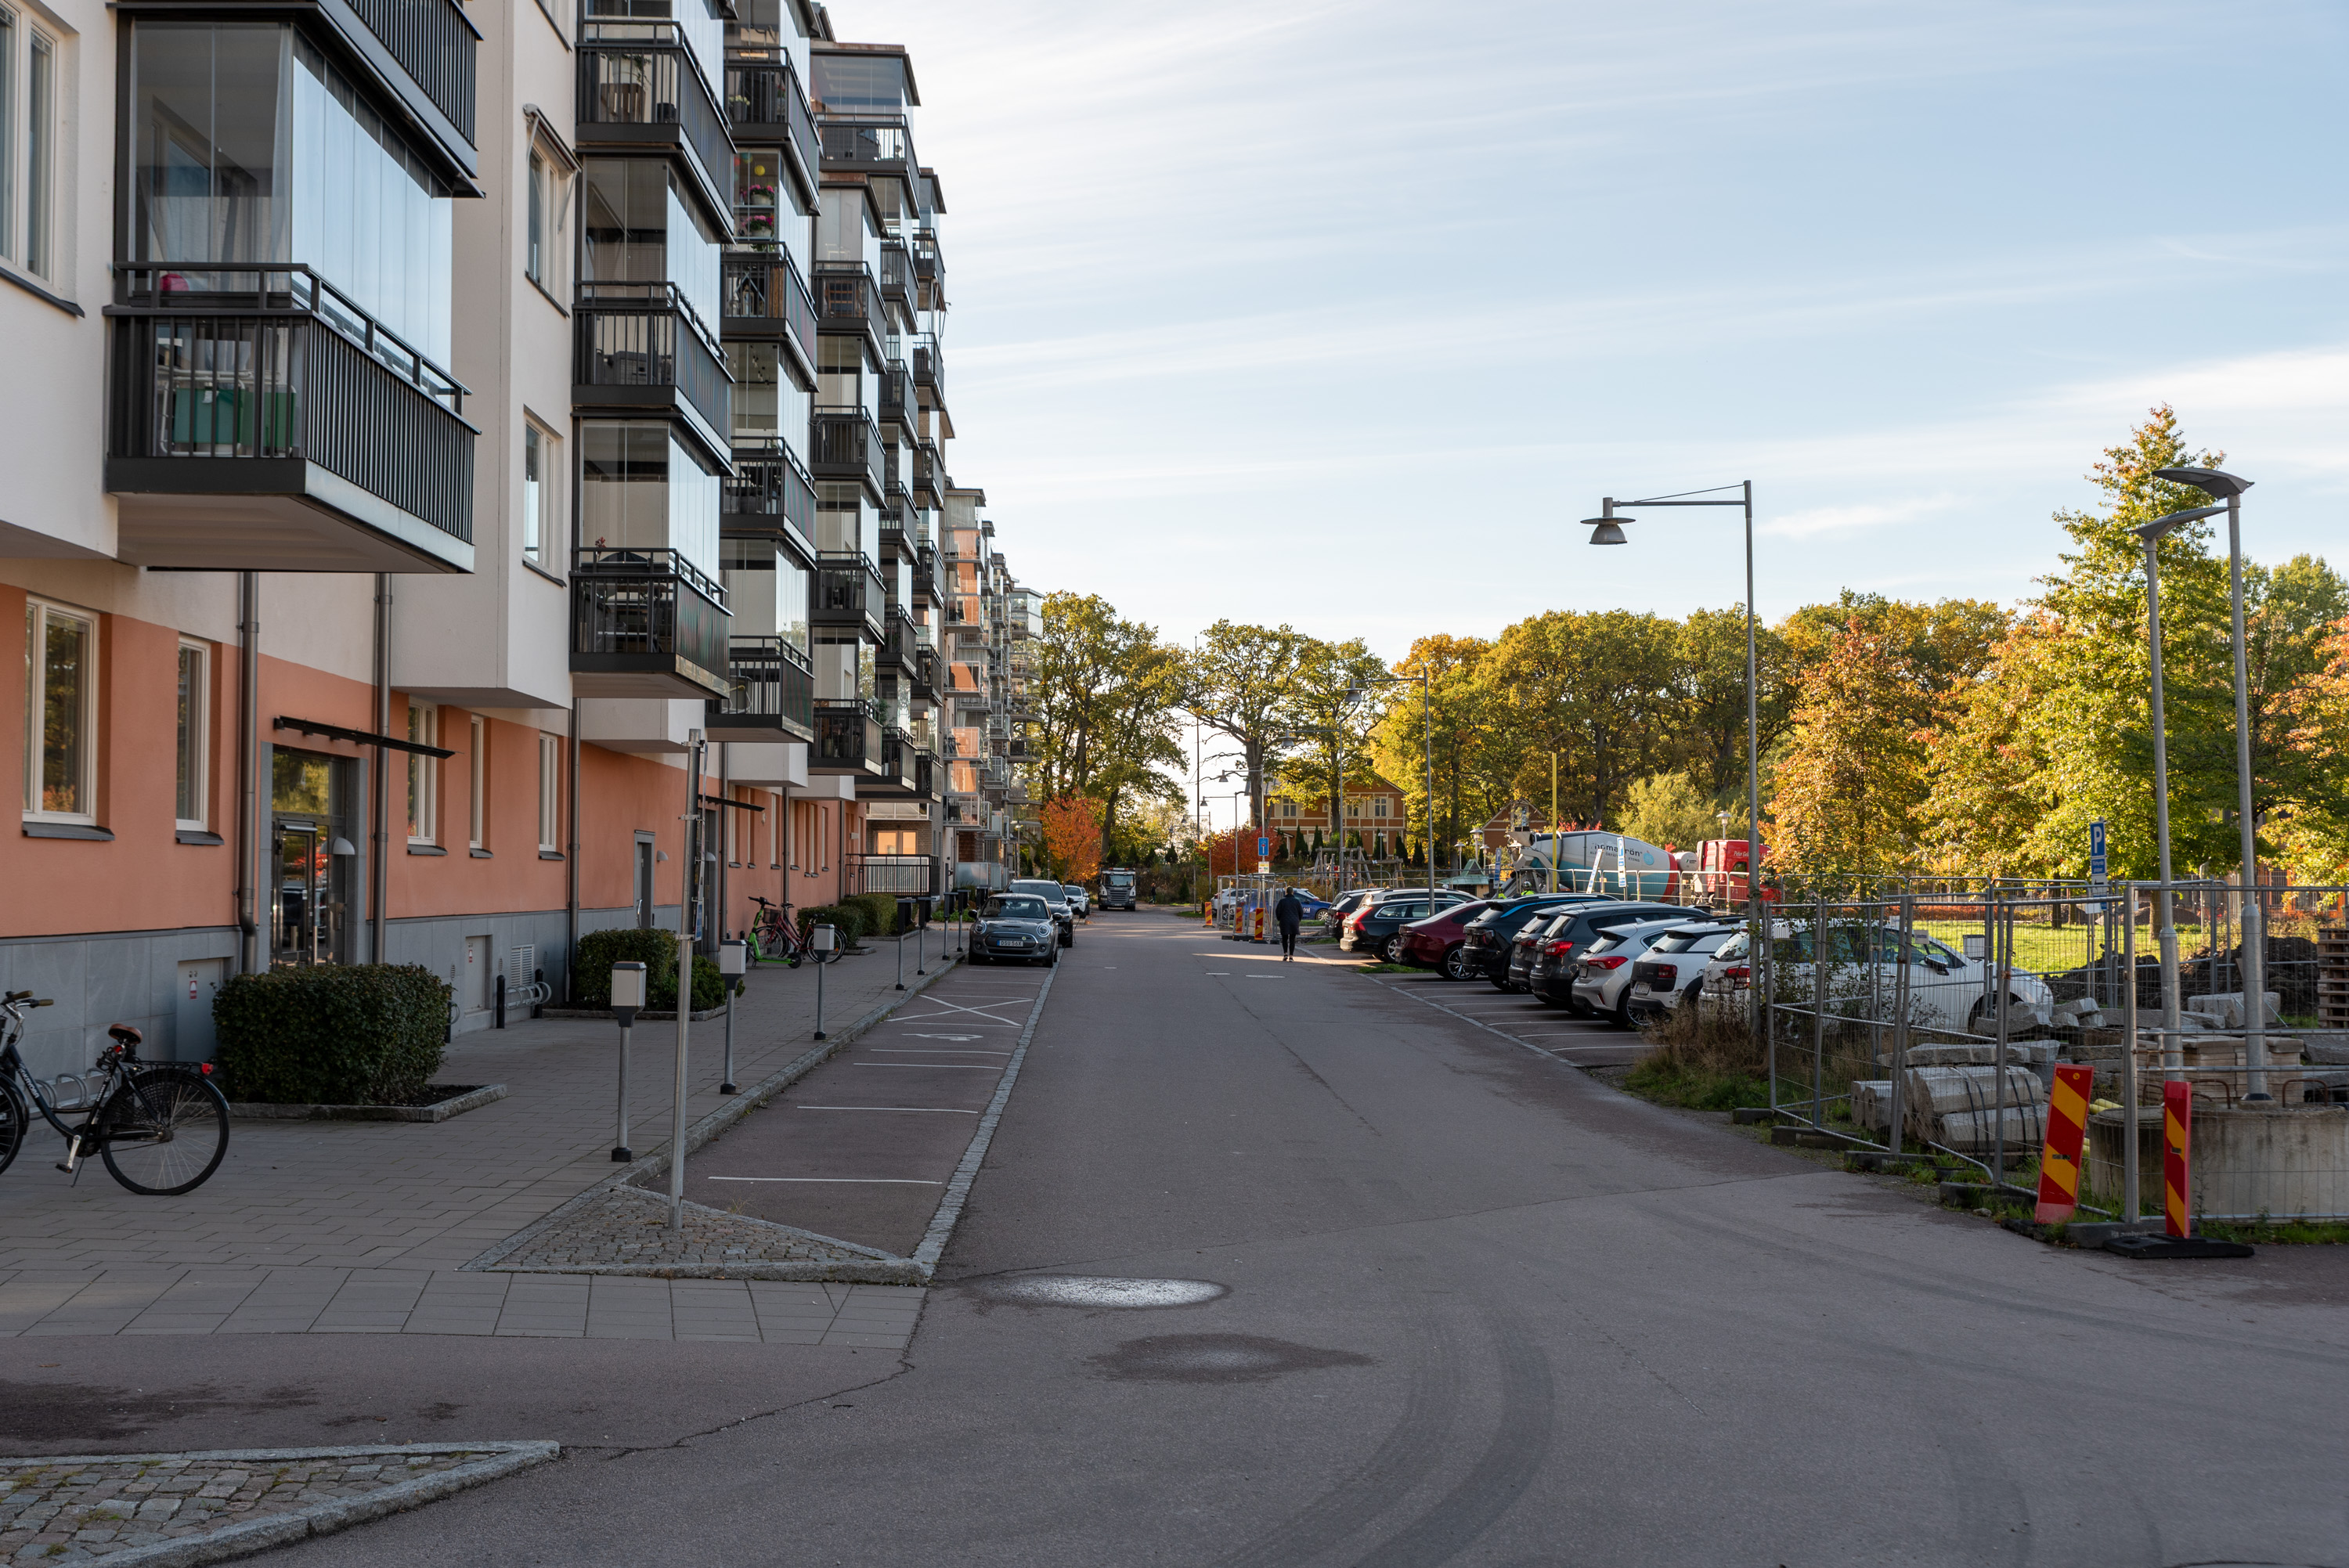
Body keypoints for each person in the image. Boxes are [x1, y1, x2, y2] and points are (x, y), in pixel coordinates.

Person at [1274, 886, 1304, 961]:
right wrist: (1298, 920)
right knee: (1292, 939)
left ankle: (1285, 954)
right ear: (1292, 892)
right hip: (1294, 922)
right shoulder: (1297, 901)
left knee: (1284, 938)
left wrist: (1279, 919)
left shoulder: (1282, 901)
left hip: (1284, 921)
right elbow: (1301, 912)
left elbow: (1277, 911)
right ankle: (1291, 956)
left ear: (1286, 892)